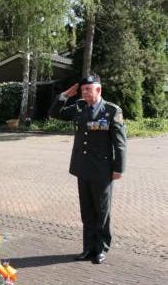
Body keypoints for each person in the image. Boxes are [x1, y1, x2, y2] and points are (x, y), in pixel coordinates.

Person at [48, 74, 127, 264]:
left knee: (101, 211)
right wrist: (65, 95)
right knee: (87, 211)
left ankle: (101, 248)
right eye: (83, 89)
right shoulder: (79, 108)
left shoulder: (111, 111)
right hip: (82, 168)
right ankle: (88, 248)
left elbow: (120, 143)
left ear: (98, 90)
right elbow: (54, 113)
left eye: (88, 89)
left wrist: (119, 169)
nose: (84, 92)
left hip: (102, 170)